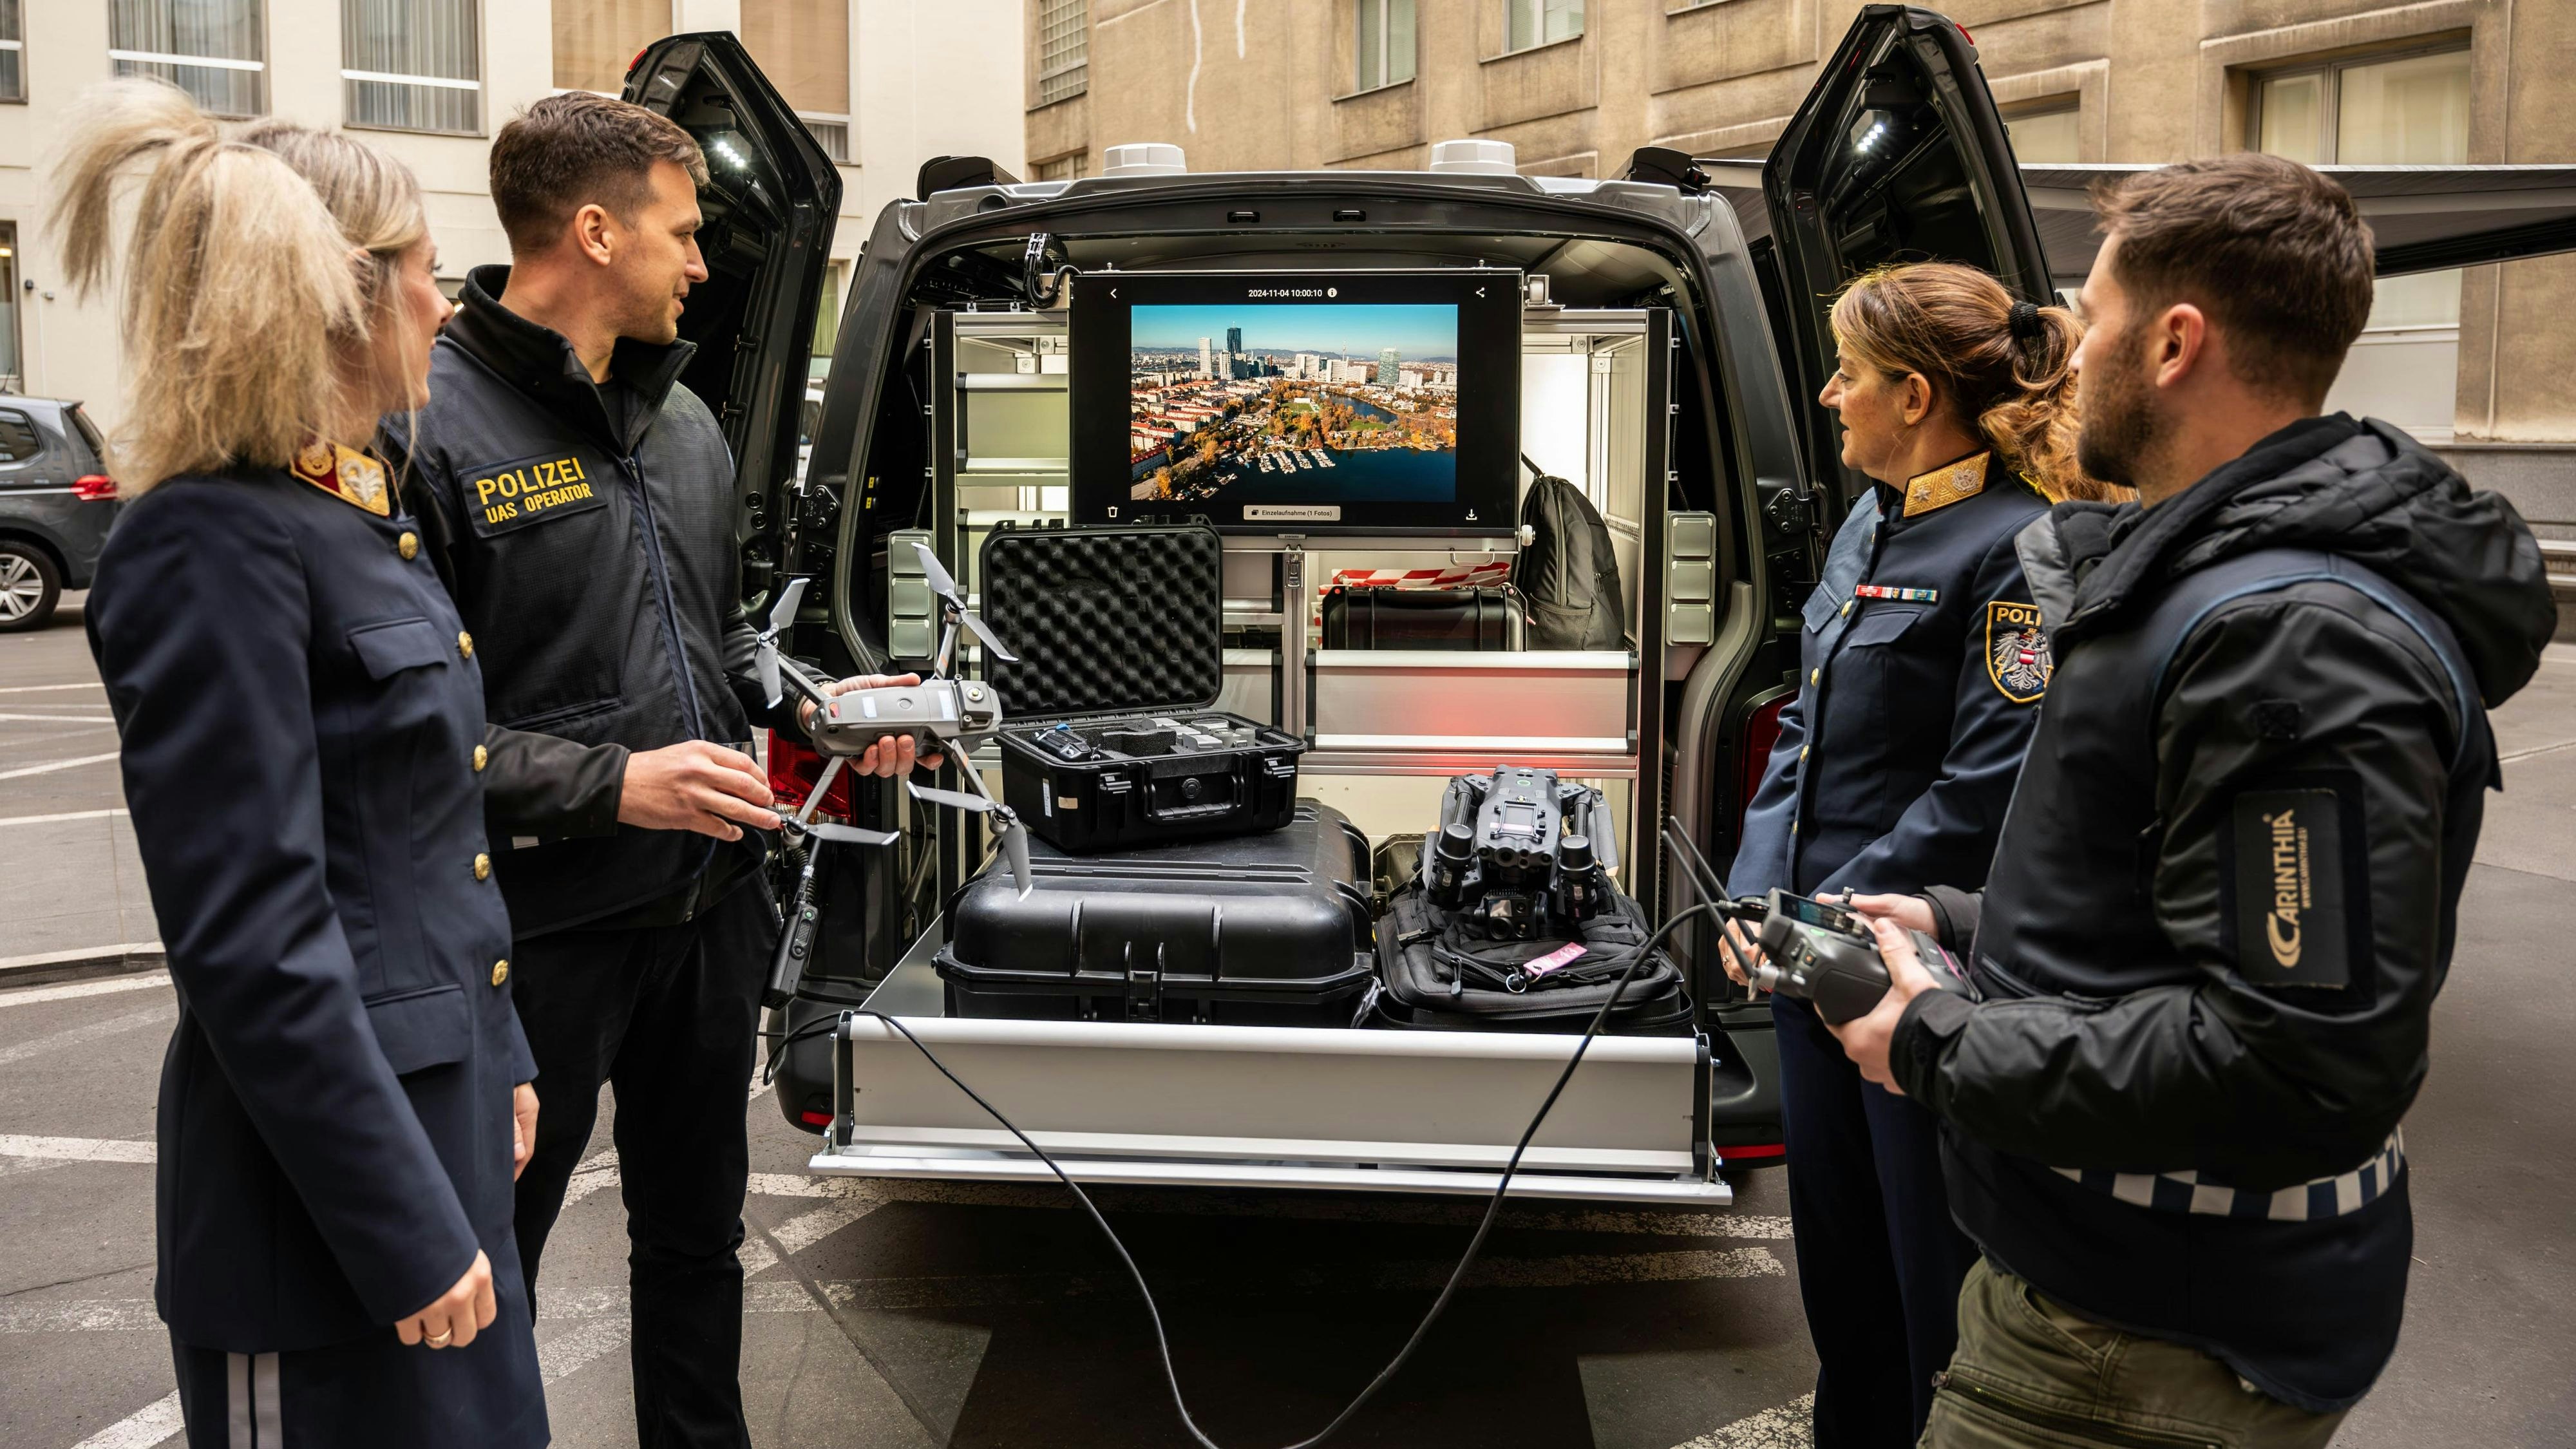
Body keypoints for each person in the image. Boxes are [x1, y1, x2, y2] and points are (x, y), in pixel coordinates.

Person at [1829, 154, 2557, 1445]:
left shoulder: (2291, 642)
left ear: (2172, 343)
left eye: (2093, 319)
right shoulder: (2208, 581)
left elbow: (2291, 1059)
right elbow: (2166, 893)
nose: (2062, 354)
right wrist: (1963, 920)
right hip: (2100, 1297)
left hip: (2136, 1347)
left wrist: (1936, 1040)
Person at [383, 92, 925, 1448]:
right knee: (483, 1257)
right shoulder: (427, 429)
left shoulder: (680, 426)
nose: (700, 263)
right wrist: (611, 785)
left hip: (705, 912)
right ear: (591, 229)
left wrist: (821, 700)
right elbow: (395, 745)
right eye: (682, 234)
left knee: (695, 1243)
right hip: (538, 938)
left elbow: (719, 635)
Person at [62, 82, 545, 1444]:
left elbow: (426, 838)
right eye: (428, 277)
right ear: (342, 297)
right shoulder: (209, 544)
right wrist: (400, 1224)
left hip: (431, 1137)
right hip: (323, 1217)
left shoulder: (354, 516)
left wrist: (498, 1054)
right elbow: (253, 938)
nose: (446, 311)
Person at [1719, 261, 2107, 1446]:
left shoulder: (2016, 549)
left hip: (1911, 966)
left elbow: (1983, 785)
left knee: (1926, 1271)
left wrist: (1828, 911)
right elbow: (1803, 721)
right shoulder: (1865, 521)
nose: (1831, 395)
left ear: (1915, 394)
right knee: (1835, 1270)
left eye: (1849, 374)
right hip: (1813, 952)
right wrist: (1756, 898)